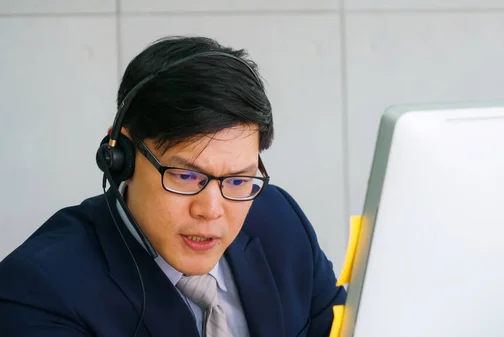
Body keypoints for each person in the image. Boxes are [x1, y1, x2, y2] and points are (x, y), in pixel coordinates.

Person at [0, 36, 346, 337]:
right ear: (120, 156)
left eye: (238, 180)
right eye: (186, 176)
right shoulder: (39, 290)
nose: (211, 210)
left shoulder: (280, 221)